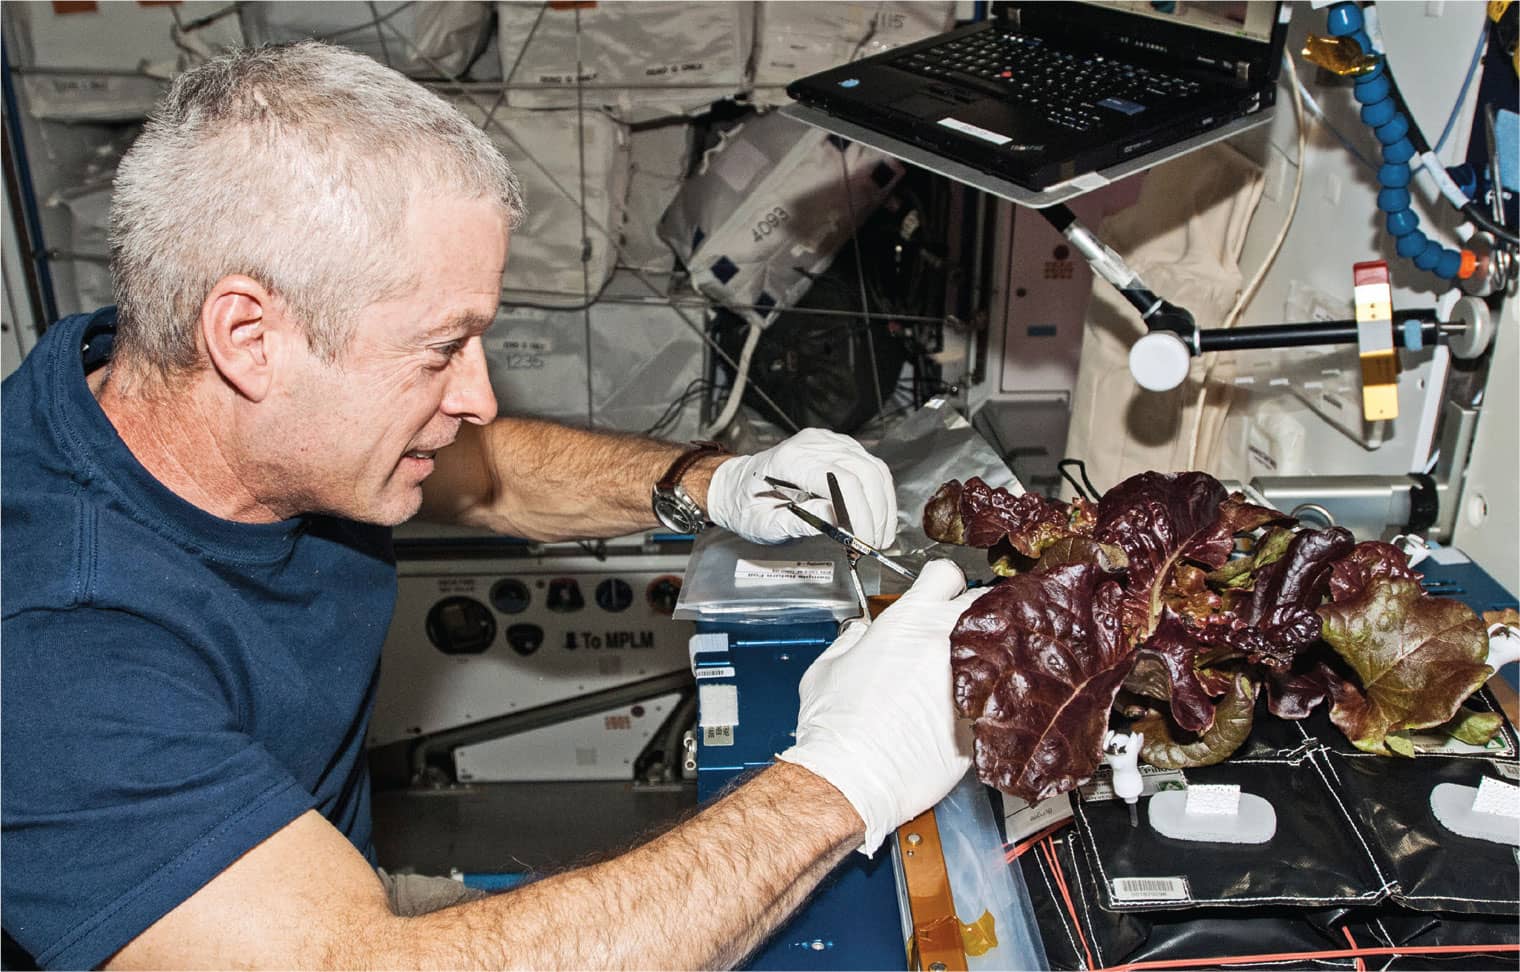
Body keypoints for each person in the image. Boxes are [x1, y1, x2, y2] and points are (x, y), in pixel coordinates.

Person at [1, 42, 984, 970]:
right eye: (438, 350)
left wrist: (713, 482)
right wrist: (840, 780)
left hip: (323, 890)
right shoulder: (54, 653)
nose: (475, 397)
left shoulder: (183, 390)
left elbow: (482, 471)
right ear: (249, 338)